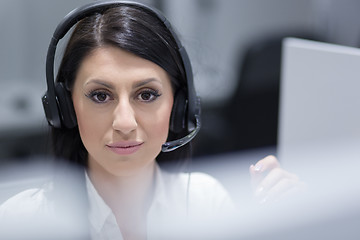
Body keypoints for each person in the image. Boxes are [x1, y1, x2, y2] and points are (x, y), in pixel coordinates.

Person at [0, 1, 303, 239]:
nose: (124, 123)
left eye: (146, 95)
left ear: (179, 104)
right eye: (100, 96)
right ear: (64, 108)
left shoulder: (207, 202)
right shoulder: (23, 223)